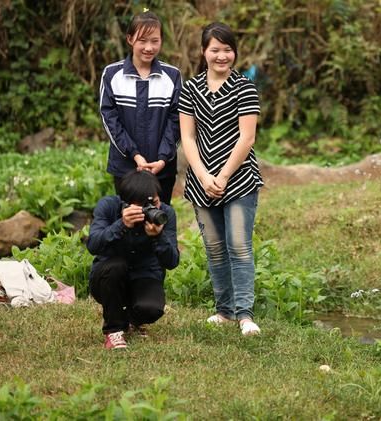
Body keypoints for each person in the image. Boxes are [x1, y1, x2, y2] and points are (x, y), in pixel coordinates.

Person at [178, 22, 262, 336]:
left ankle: (245, 314)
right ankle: (224, 311)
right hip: (201, 181)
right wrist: (202, 176)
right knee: (214, 248)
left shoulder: (244, 87)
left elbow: (247, 138)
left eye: (227, 49)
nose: (222, 56)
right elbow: (187, 137)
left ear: (234, 53)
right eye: (215, 49)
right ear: (204, 52)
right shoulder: (191, 88)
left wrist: (223, 176)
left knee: (239, 246)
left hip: (239, 180)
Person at [87, 170, 179, 349]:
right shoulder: (109, 206)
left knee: (151, 309)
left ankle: (130, 320)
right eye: (144, 206)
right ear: (127, 203)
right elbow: (93, 245)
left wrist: (157, 237)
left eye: (155, 202)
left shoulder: (166, 213)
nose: (151, 209)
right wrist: (121, 224)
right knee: (116, 267)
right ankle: (114, 331)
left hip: (145, 275)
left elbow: (172, 261)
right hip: (107, 278)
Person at [99, 10, 181, 205]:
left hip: (162, 169)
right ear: (130, 39)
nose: (148, 47)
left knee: (159, 221)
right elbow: (110, 119)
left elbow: (177, 120)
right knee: (129, 221)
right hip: (126, 168)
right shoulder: (112, 74)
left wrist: (162, 159)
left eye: (155, 41)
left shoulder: (172, 75)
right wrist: (135, 155)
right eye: (142, 40)